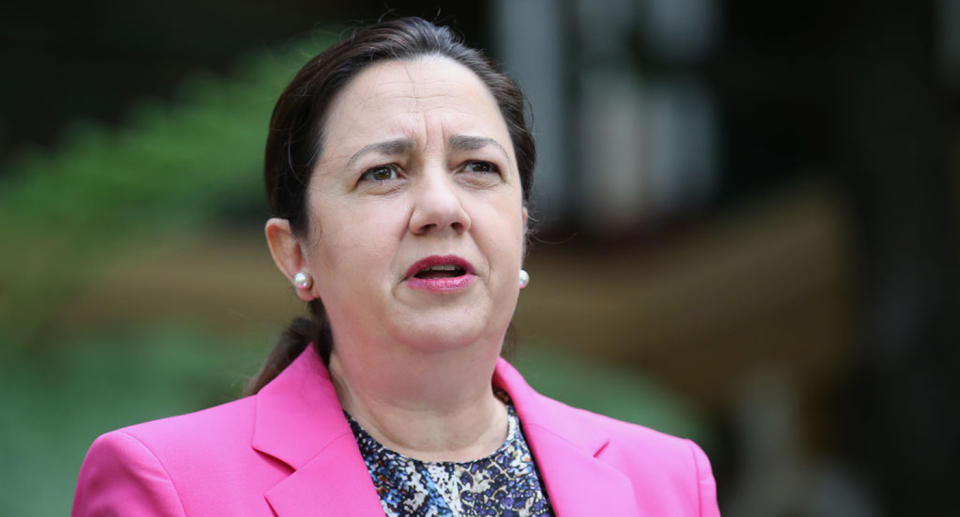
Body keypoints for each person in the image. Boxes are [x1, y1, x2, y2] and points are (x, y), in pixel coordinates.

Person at [72, 17, 720, 517]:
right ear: (295, 251)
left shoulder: (664, 481)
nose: (442, 208)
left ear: (521, 229)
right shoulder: (168, 482)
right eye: (383, 172)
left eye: (478, 168)